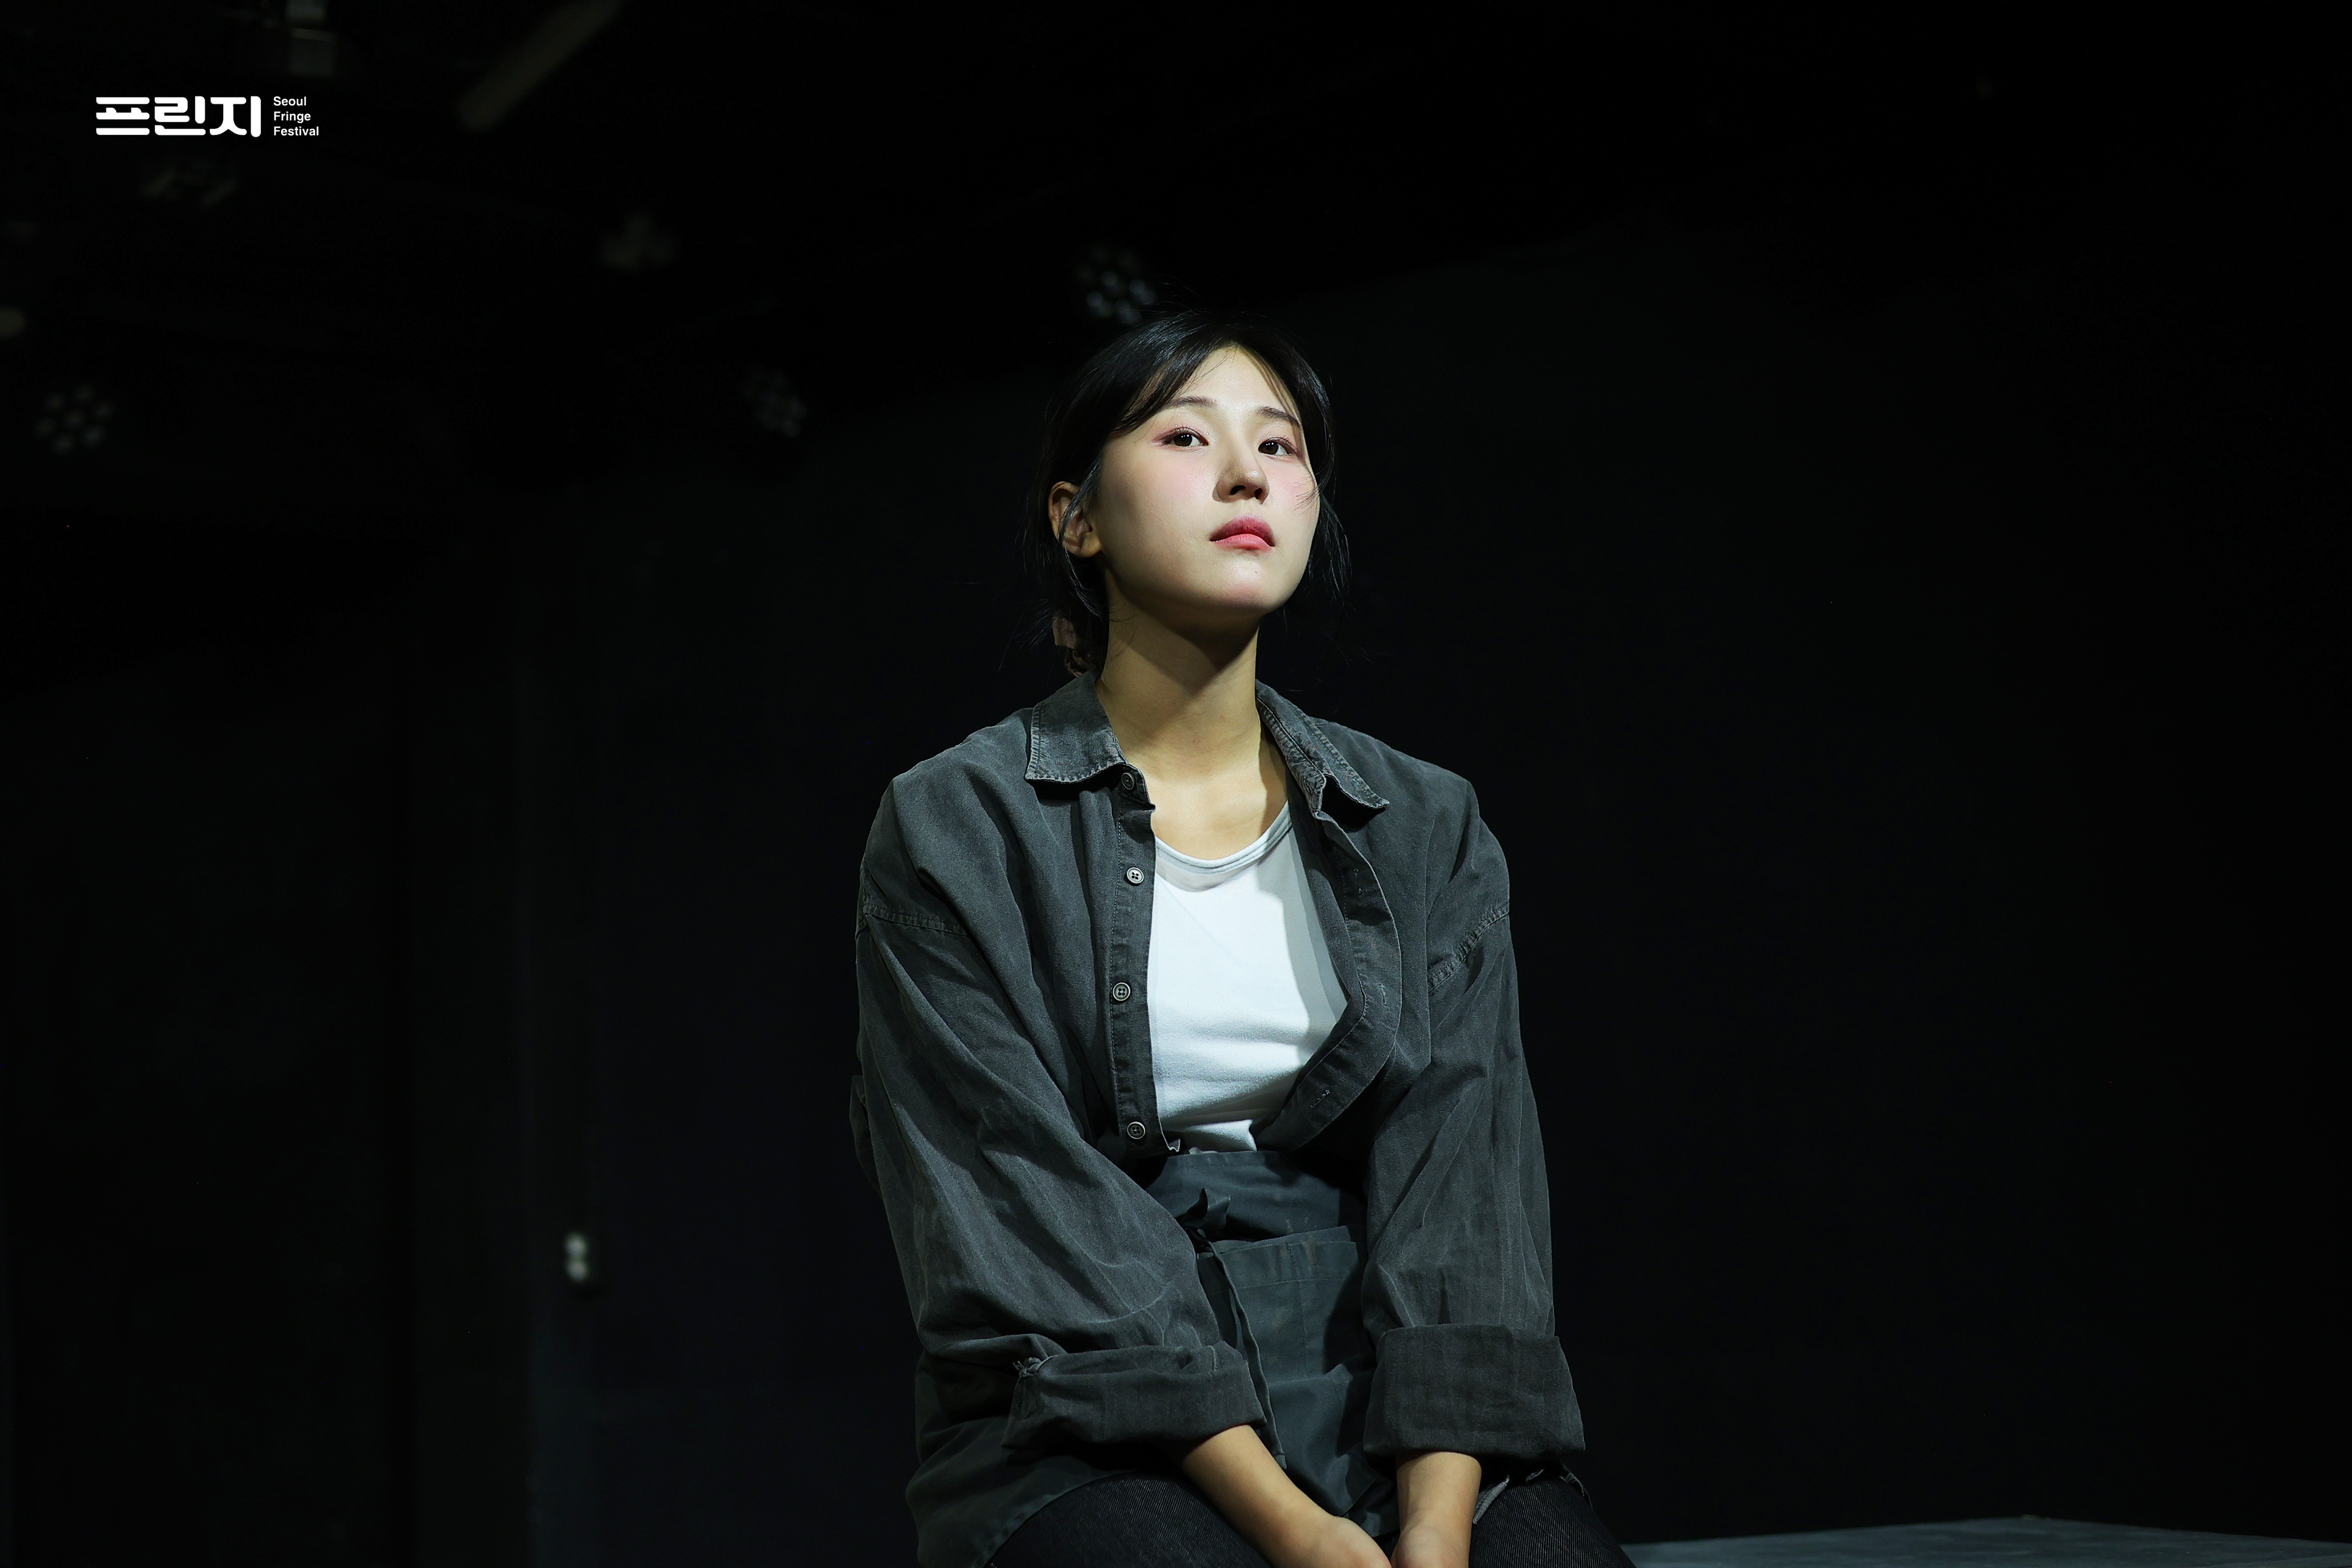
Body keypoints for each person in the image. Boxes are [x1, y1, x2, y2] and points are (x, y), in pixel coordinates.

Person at [850, 311, 1634, 1568]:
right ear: (1077, 518)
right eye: (1185, 437)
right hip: (1088, 1407)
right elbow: (1022, 1199)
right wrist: (1301, 1536)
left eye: (1280, 446)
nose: (1245, 474)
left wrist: (1434, 1531)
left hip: (1381, 1383)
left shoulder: (1426, 823)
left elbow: (1465, 1191)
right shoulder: (957, 824)